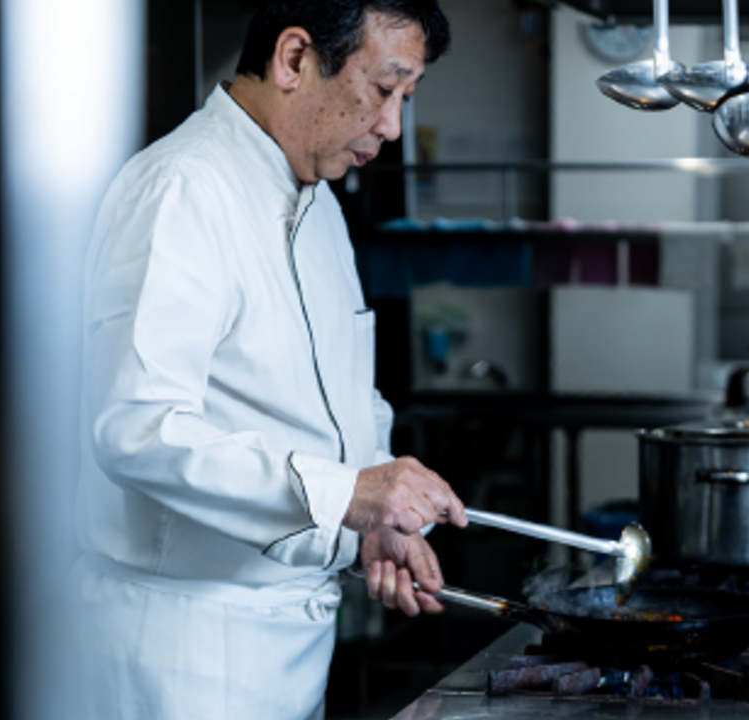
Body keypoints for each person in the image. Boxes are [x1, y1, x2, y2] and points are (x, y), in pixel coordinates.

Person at [73, 2, 464, 718]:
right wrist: (344, 494)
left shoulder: (318, 206)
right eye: (384, 89)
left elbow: (342, 399)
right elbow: (138, 426)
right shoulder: (182, 189)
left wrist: (372, 517)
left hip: (290, 653)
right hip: (184, 659)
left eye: (407, 99)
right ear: (293, 60)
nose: (391, 127)